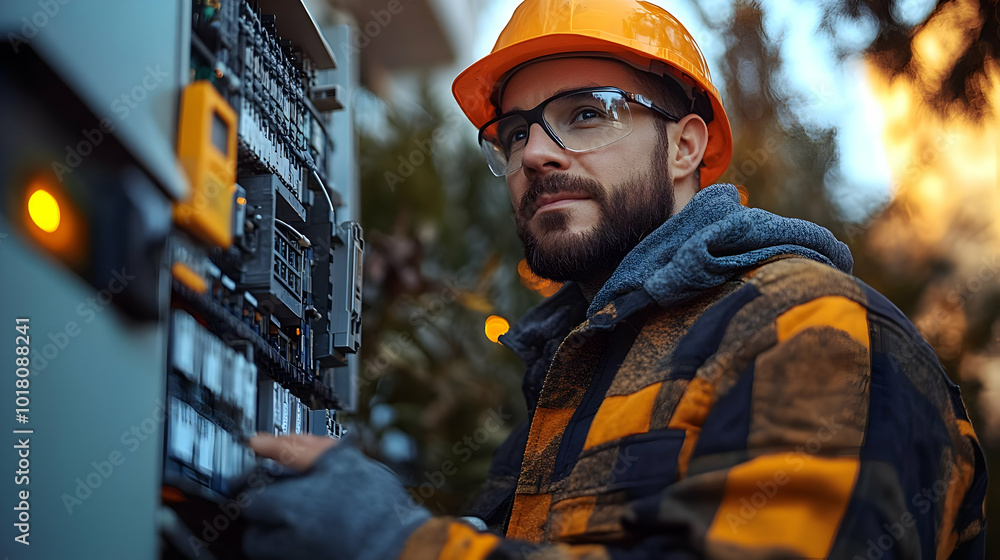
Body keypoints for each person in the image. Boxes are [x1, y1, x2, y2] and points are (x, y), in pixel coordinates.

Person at [238, 1, 988, 558]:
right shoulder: (578, 362)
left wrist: (394, 543)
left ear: (685, 147)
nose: (534, 154)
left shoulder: (810, 324)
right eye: (514, 132)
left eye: (587, 114)